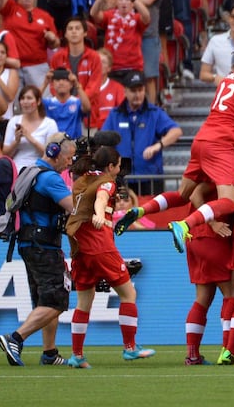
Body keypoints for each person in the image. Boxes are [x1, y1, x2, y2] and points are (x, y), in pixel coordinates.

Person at [120, 45, 234, 250]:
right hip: (220, 144)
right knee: (228, 202)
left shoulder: (230, 77)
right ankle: (184, 225)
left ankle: (140, 211)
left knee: (183, 194)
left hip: (201, 139)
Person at [64, 145, 155, 368]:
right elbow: (101, 199)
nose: (120, 169)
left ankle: (77, 355)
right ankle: (130, 348)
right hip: (99, 245)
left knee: (84, 301)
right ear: (111, 166)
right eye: (118, 165)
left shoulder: (82, 178)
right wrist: (98, 214)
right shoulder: (107, 181)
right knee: (128, 293)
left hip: (78, 246)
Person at [0, 133, 78, 368]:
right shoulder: (50, 178)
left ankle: (49, 353)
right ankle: (15, 338)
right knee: (56, 302)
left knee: (45, 301)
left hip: (29, 242)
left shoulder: (31, 172)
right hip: (43, 245)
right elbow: (74, 208)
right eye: (69, 157)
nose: (70, 163)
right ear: (54, 152)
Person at [101, 70, 183, 193]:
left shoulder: (154, 113)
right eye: (133, 91)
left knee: (152, 212)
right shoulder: (115, 114)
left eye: (140, 90)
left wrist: (158, 145)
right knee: (122, 212)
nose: (137, 95)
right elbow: (103, 139)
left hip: (150, 178)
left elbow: (176, 131)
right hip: (122, 179)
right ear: (125, 91)